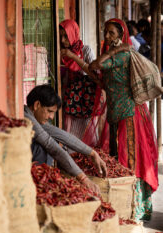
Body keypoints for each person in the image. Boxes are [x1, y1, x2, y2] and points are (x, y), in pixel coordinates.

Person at [88, 18, 159, 221]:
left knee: (129, 160)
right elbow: (97, 73)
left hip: (130, 115)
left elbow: (97, 64)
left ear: (120, 35)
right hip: (117, 114)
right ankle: (124, 205)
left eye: (111, 33)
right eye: (105, 32)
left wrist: (110, 51)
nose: (107, 36)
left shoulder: (122, 56)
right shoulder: (119, 53)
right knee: (121, 159)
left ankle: (133, 207)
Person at [24, 84, 107, 194]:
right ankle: (36, 187)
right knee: (43, 147)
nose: (51, 117)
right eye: (49, 111)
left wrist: (92, 153)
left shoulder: (35, 118)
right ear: (37, 105)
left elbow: (63, 135)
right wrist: (84, 179)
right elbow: (51, 145)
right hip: (23, 171)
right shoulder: (26, 118)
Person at [59, 19, 107, 150]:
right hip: (70, 100)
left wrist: (74, 57)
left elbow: (94, 73)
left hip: (86, 99)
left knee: (87, 133)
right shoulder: (61, 53)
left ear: (73, 34)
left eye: (66, 36)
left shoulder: (85, 50)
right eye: (61, 36)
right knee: (70, 131)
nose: (63, 40)